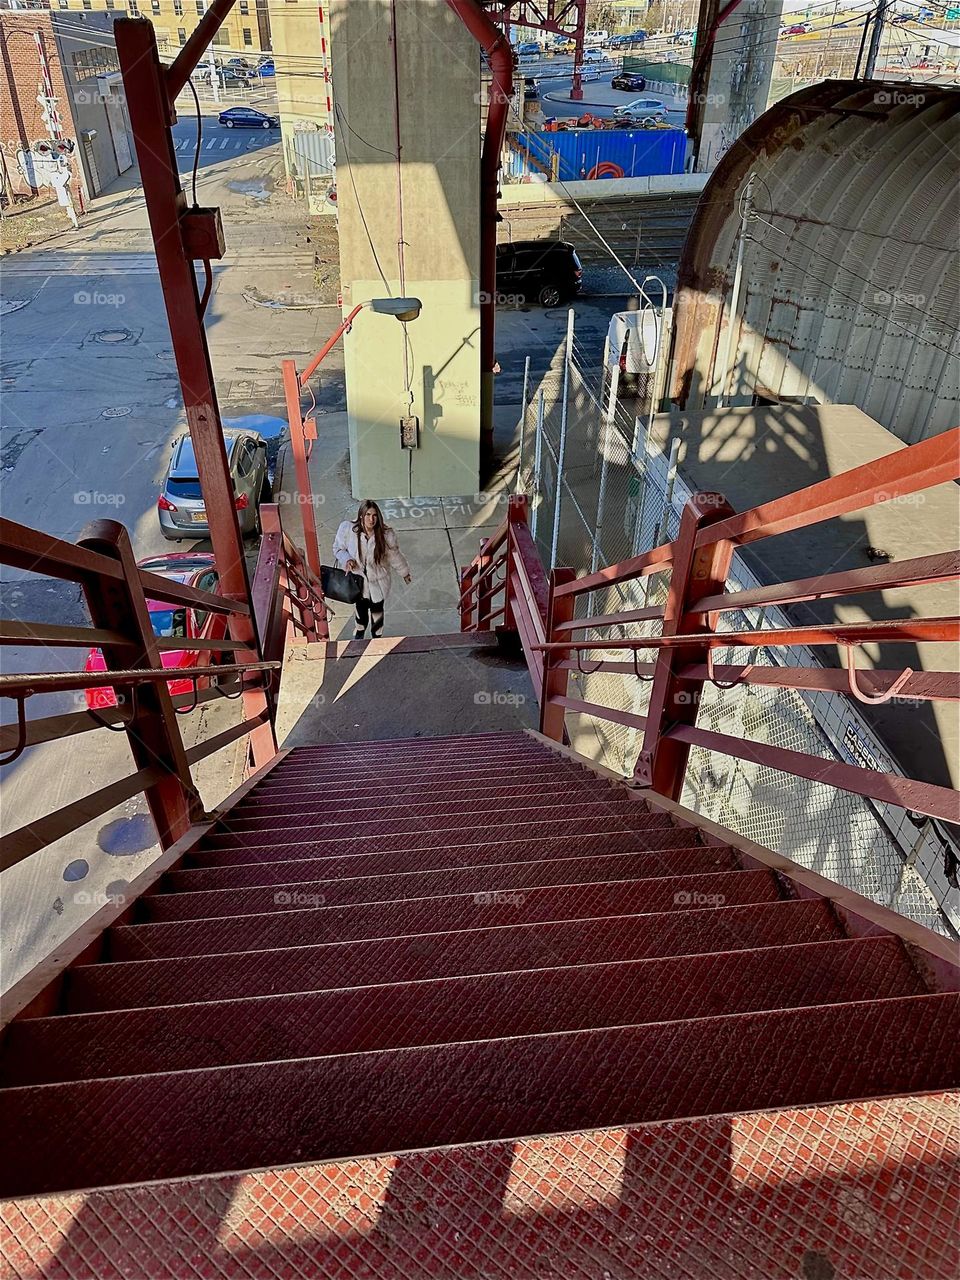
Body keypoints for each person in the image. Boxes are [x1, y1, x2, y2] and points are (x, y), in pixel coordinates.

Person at [333, 499, 412, 639]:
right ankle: (359, 633)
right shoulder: (348, 530)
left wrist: (404, 572)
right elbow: (338, 549)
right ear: (361, 516)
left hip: (378, 584)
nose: (371, 519)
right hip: (358, 583)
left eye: (374, 515)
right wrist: (348, 559)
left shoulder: (385, 535)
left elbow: (394, 556)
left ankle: (377, 637)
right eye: (368, 514)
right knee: (360, 612)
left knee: (377, 613)